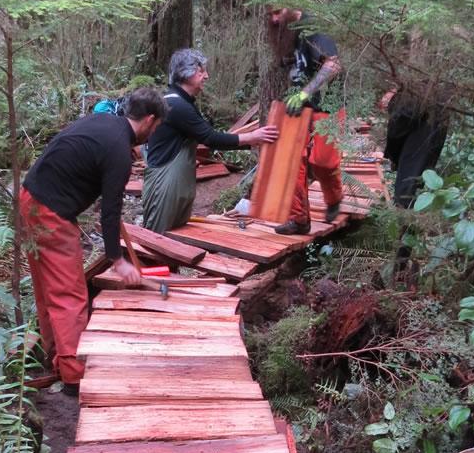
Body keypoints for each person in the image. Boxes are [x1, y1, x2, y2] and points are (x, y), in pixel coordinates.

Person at [20, 87, 169, 396]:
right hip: (51, 212)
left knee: (47, 288)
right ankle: (74, 378)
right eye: (155, 129)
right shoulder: (118, 151)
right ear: (149, 120)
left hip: (28, 197)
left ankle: (55, 358)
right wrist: (118, 260)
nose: (153, 136)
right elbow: (111, 210)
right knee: (69, 294)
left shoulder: (104, 122)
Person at [142, 48, 279, 233]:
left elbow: (206, 136)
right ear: (186, 74)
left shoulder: (182, 102)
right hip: (164, 184)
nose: (206, 76)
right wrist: (252, 137)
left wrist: (250, 142)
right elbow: (210, 138)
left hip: (176, 183)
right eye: (201, 71)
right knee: (157, 240)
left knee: (174, 236)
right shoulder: (176, 105)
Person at [266, 7, 346, 235]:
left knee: (323, 161)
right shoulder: (290, 32)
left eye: (277, 12)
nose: (274, 19)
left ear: (292, 6)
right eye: (270, 15)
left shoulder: (315, 28)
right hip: (297, 109)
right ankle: (299, 219)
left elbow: (333, 65)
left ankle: (333, 198)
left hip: (326, 106)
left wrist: (305, 93)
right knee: (292, 162)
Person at [379, 85, 449, 208]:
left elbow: (398, 127)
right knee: (419, 181)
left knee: (408, 186)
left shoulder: (415, 93)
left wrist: (393, 154)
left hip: (417, 143)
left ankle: (404, 219)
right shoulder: (439, 90)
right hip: (430, 133)